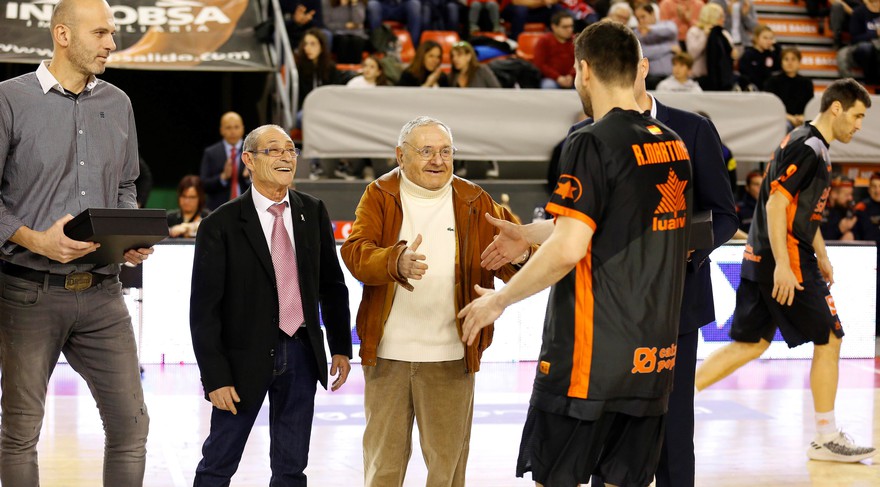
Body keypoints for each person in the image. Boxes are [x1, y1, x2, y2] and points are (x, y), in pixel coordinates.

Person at [459, 22, 693, 486]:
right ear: (635, 69)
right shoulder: (672, 143)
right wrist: (527, 234)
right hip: (652, 361)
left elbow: (570, 248)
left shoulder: (590, 139)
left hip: (590, 360)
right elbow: (600, 224)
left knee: (557, 477)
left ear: (584, 70)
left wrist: (497, 301)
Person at [0, 0, 151, 484]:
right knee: (20, 432)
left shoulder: (118, 103)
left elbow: (127, 186)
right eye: (102, 33)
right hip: (28, 294)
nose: (112, 43)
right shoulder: (9, 99)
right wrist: (34, 240)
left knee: (131, 427)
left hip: (105, 294)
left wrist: (126, 232)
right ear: (62, 36)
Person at [340, 116, 531, 487]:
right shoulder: (379, 194)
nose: (437, 160)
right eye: (426, 151)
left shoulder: (475, 199)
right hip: (388, 357)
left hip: (452, 356)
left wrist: (522, 256)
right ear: (400, 155)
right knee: (383, 467)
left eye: (445, 152)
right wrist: (394, 260)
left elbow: (518, 252)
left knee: (447, 470)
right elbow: (355, 253)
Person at [694, 78, 877, 463]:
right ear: (836, 108)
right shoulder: (810, 148)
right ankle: (826, 437)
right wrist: (783, 265)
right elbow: (777, 204)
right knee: (830, 338)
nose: (859, 126)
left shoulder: (805, 140)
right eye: (858, 116)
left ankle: (671, 403)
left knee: (751, 344)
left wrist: (822, 253)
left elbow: (803, 212)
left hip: (765, 256)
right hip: (784, 260)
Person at [190, 125, 353, 485]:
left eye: (291, 150)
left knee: (292, 467)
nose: (285, 157)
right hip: (241, 360)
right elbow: (204, 311)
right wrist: (214, 377)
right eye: (273, 150)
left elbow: (333, 284)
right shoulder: (220, 224)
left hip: (302, 354)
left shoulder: (313, 211)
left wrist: (340, 346)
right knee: (219, 461)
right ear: (248, 160)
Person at [200, 111, 249, 211]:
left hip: (247, 207)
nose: (233, 131)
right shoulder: (211, 152)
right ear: (221, 130)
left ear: (243, 129)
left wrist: (250, 177)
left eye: (236, 127)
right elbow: (203, 184)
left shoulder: (251, 151)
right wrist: (223, 177)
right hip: (218, 209)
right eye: (228, 127)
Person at [764, 46, 815, 131]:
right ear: (781, 62)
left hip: (802, 119)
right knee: (786, 126)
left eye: (793, 59)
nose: (789, 63)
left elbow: (810, 106)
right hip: (780, 119)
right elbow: (770, 107)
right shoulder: (772, 82)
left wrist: (802, 117)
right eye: (786, 59)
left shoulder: (807, 82)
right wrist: (790, 118)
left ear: (799, 62)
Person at [635, 4, 680, 89]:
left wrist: (650, 29)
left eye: (643, 17)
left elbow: (672, 30)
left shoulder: (667, 24)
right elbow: (644, 52)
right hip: (652, 79)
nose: (641, 21)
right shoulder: (638, 33)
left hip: (673, 78)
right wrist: (669, 48)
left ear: (652, 14)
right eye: (638, 19)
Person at [533, 10, 577, 89]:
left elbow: (580, 61)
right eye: (565, 27)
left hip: (572, 78)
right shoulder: (544, 41)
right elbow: (540, 64)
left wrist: (571, 75)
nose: (570, 30)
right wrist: (557, 77)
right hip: (550, 79)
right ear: (554, 27)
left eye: (571, 26)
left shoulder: (576, 41)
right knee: (549, 86)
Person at [736, 23, 779, 91]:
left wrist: (776, 47)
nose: (769, 41)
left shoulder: (771, 54)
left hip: (768, 92)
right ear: (756, 38)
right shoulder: (748, 54)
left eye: (771, 38)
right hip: (753, 92)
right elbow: (744, 74)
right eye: (765, 38)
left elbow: (778, 68)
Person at [820, 175, 857, 241]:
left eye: (851, 194)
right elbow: (817, 239)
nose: (850, 198)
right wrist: (839, 229)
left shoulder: (847, 209)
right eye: (846, 195)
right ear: (833, 194)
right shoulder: (819, 210)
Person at [734, 169, 763, 238]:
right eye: (756, 184)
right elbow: (730, 230)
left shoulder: (772, 207)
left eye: (762, 184)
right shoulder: (738, 209)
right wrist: (749, 240)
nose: (760, 188)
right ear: (747, 187)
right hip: (743, 246)